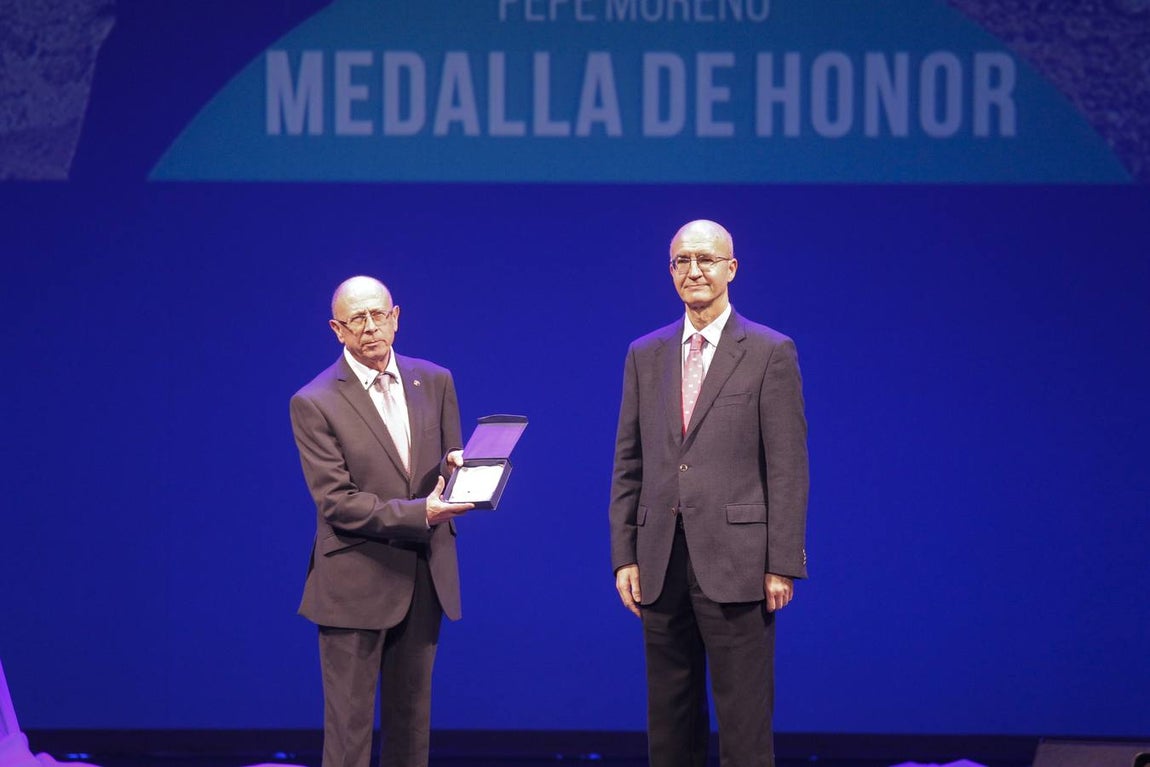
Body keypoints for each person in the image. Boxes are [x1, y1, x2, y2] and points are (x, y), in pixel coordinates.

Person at [609, 220, 809, 767]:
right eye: (681, 261)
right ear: (670, 270)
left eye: (705, 259)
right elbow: (629, 461)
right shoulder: (644, 354)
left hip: (740, 563)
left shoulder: (770, 351)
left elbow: (788, 465)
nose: (693, 270)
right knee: (669, 719)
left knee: (744, 721)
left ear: (731, 269)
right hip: (660, 559)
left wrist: (782, 562)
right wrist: (624, 553)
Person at [290, 275, 474, 767]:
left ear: (396, 317)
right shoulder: (315, 400)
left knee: (411, 732)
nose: (371, 328)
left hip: (423, 576)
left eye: (379, 315)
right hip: (354, 584)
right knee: (349, 738)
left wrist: (460, 473)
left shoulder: (434, 380)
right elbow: (337, 502)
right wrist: (422, 512)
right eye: (357, 319)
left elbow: (444, 474)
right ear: (337, 329)